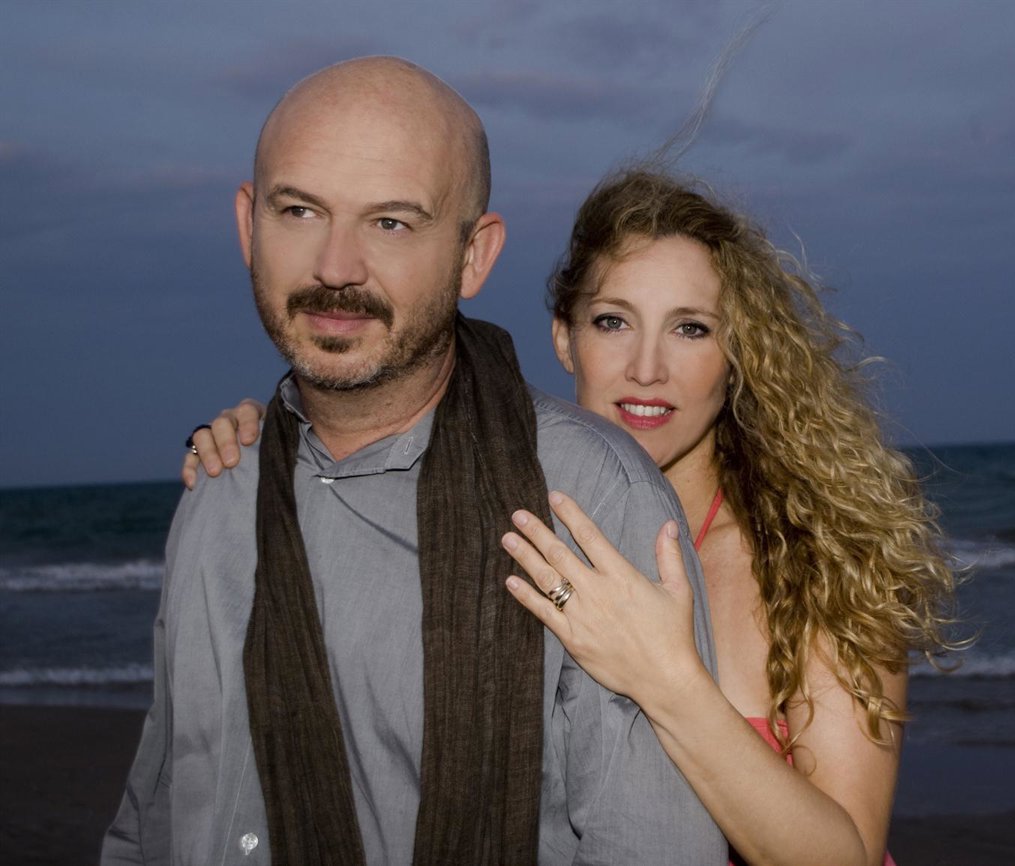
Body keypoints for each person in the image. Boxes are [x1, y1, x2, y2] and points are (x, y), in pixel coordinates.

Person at [185, 170, 960, 865]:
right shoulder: (497, 519)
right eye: (613, 322)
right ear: (564, 338)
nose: (647, 368)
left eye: (691, 328)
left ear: (738, 357)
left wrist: (668, 679)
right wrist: (270, 446)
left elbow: (846, 856)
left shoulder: (815, 561)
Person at [104, 58, 727, 866]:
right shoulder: (221, 487)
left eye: (392, 223)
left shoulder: (586, 498)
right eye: (300, 211)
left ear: (474, 255)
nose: (336, 267)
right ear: (248, 225)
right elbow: (155, 812)